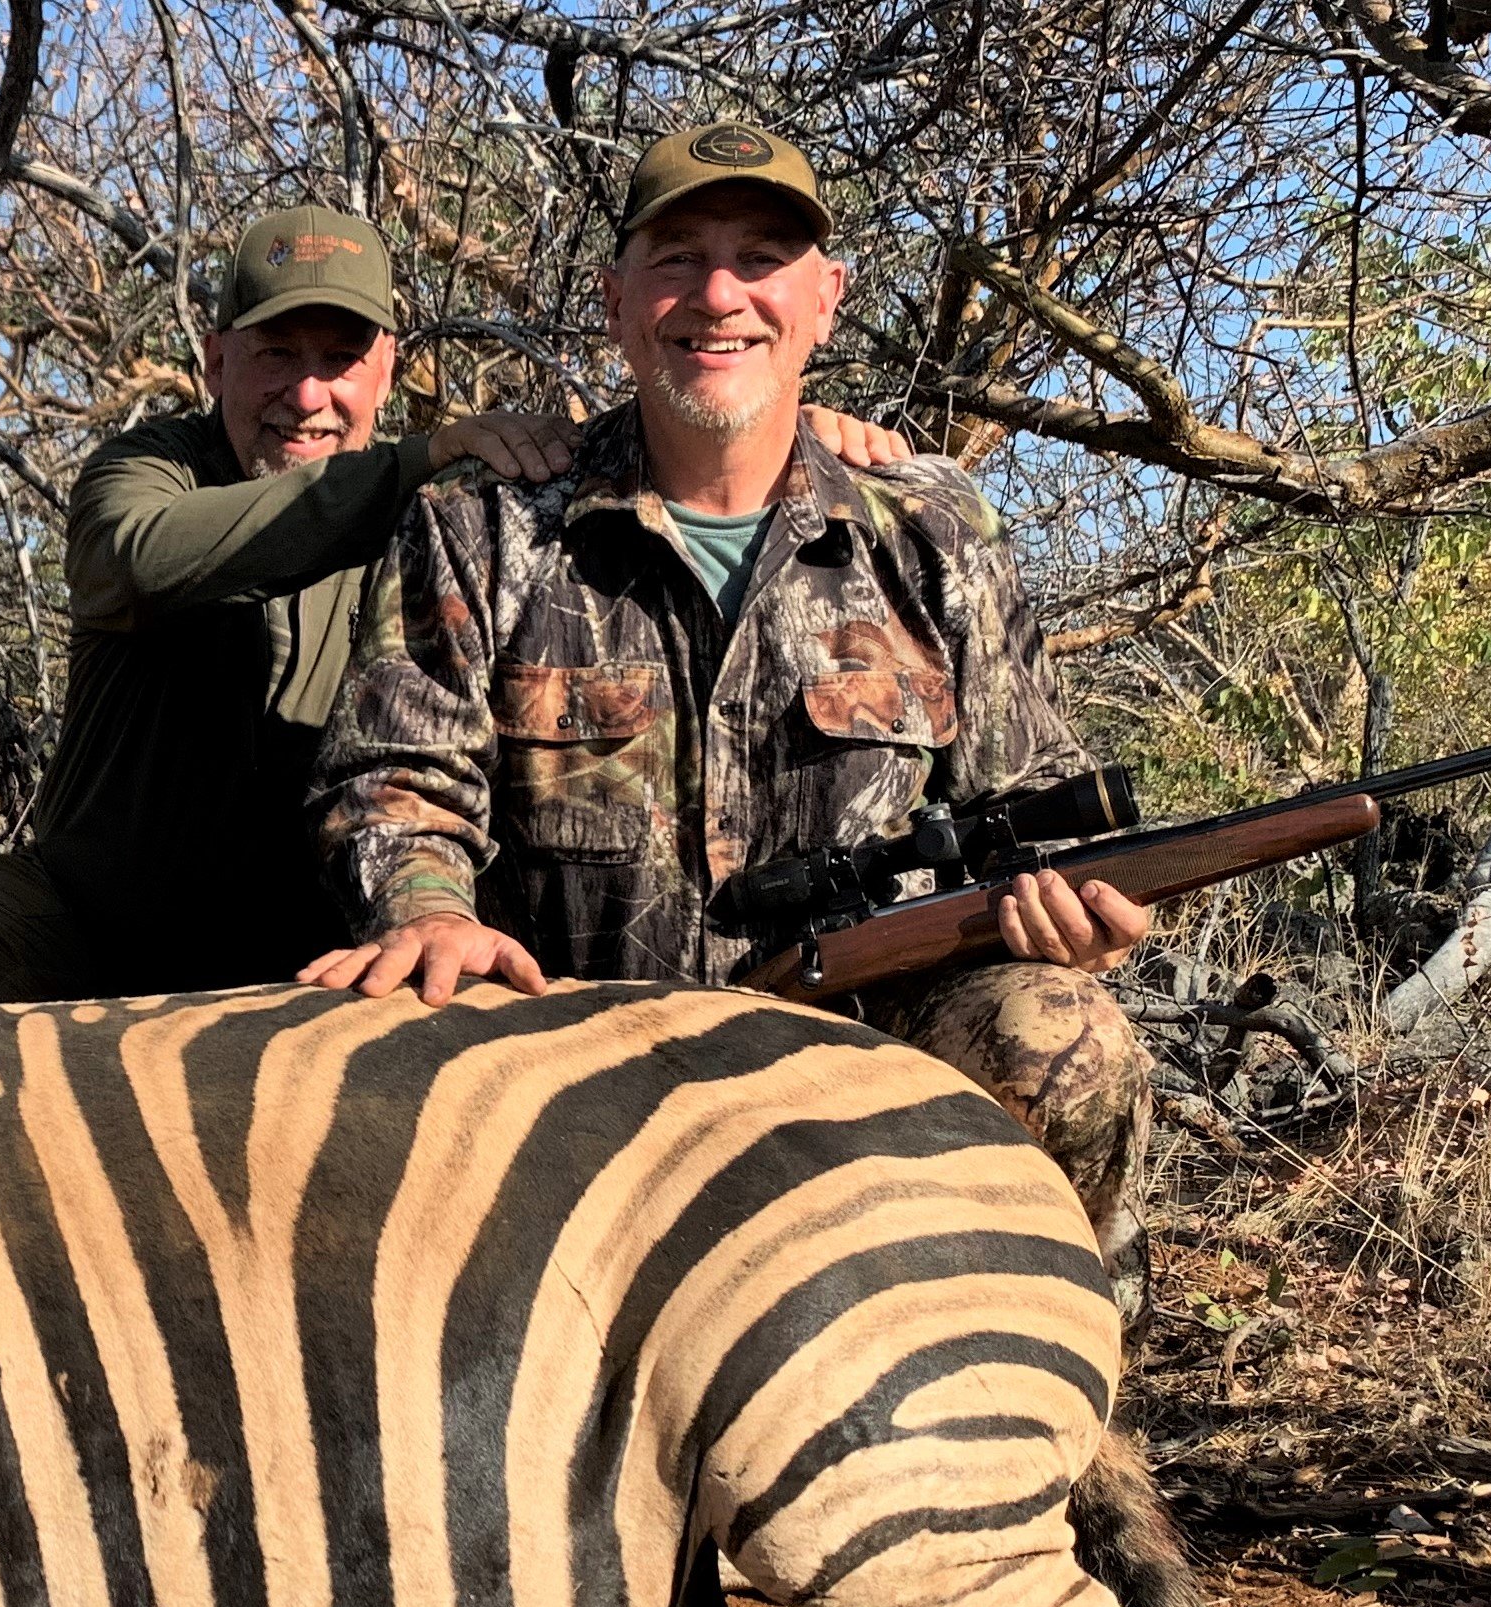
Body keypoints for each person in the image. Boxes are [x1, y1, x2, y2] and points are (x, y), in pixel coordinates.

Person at [300, 124, 1156, 1314]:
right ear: (614, 299)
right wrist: (430, 910)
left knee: (1064, 1034)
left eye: (760, 258)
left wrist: (1079, 910)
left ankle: (1055, 1414)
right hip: (572, 1060)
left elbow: (1026, 806)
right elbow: (394, 783)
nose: (718, 297)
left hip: (862, 1057)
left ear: (822, 300)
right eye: (676, 259)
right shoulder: (482, 523)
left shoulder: (929, 529)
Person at [0, 203, 907, 1007]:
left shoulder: (452, 513)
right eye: (273, 355)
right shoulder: (148, 472)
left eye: (338, 358)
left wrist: (795, 441)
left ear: (385, 365)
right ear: (214, 361)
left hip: (318, 954)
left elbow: (665, 449)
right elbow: (144, 559)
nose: (307, 394)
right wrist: (406, 463)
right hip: (96, 938)